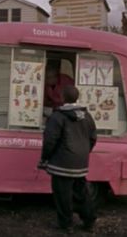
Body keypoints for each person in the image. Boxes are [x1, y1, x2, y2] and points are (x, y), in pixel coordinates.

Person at [38, 85, 97, 233]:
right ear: (77, 98)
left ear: (63, 97)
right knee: (81, 193)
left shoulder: (57, 116)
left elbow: (50, 140)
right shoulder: (87, 116)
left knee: (62, 195)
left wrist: (45, 158)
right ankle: (89, 221)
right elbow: (93, 138)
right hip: (81, 162)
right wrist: (84, 153)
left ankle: (66, 224)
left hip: (61, 162)